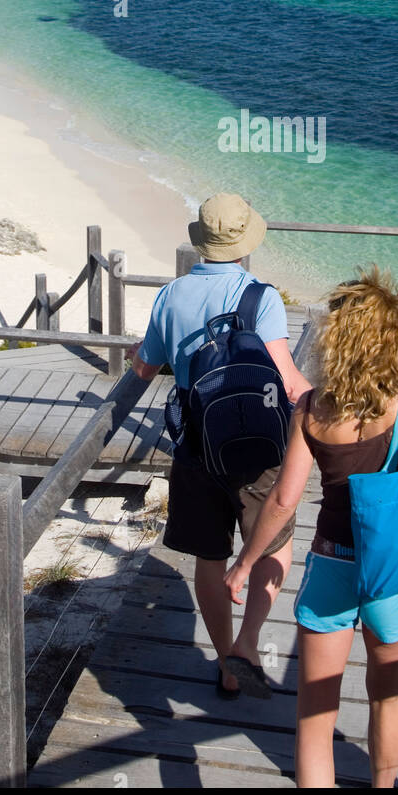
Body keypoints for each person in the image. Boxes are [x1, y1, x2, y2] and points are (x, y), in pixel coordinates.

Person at [224, 266, 398, 788]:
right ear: (395, 343)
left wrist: (245, 563)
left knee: (316, 713)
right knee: (388, 694)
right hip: (395, 574)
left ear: (338, 342)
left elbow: (283, 500)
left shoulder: (311, 411)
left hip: (333, 565)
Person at [126, 192, 311, 700]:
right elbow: (289, 382)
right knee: (274, 541)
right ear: (246, 239)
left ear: (201, 240)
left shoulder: (171, 295)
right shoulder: (261, 298)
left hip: (194, 444)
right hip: (255, 445)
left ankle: (227, 664)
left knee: (209, 557)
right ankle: (249, 640)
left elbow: (144, 367)